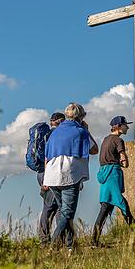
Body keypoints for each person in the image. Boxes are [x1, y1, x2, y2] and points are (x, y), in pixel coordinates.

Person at [44, 102, 98, 251]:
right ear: (81, 117)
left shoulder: (55, 132)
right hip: (69, 175)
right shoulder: (81, 131)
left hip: (51, 175)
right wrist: (87, 130)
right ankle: (52, 246)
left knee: (64, 213)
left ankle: (70, 247)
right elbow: (94, 150)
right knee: (67, 213)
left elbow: (47, 156)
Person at [92, 116, 135, 247]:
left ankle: (94, 240)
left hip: (104, 174)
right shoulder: (118, 140)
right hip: (113, 174)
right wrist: (124, 161)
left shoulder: (105, 140)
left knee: (106, 206)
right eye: (125, 125)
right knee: (122, 203)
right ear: (118, 126)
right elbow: (124, 160)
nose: (127, 127)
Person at [37, 112, 65, 244]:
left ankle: (47, 239)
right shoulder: (56, 135)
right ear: (59, 121)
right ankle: (55, 240)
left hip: (43, 173)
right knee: (56, 207)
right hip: (50, 172)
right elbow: (49, 158)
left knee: (49, 206)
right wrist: (47, 178)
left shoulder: (47, 134)